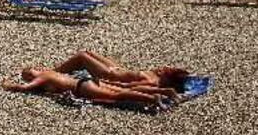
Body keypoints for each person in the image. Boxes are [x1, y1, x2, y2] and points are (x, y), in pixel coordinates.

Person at [2, 67, 175, 107]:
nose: (30, 78)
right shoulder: (50, 73)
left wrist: (9, 85)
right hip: (85, 81)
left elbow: (25, 88)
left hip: (82, 86)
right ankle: (162, 92)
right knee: (122, 88)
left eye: (29, 76)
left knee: (117, 95)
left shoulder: (43, 76)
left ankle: (152, 98)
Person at [52, 50, 190, 92]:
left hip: (107, 75)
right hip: (116, 68)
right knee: (88, 52)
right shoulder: (155, 75)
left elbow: (131, 87)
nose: (163, 68)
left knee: (82, 57)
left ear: (168, 77)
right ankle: (54, 72)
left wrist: (110, 85)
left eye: (166, 70)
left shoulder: (152, 81)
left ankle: (52, 72)